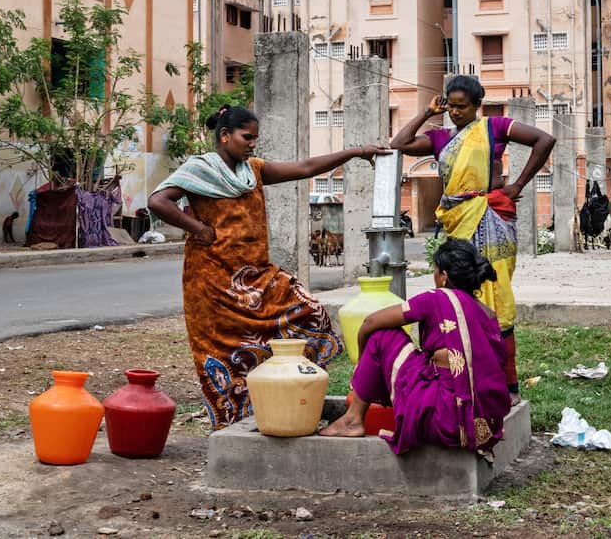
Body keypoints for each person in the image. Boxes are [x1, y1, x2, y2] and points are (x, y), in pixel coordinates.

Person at [148, 104, 388, 429]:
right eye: (246, 137)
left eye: (255, 138)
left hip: (258, 277)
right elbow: (158, 201)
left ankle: (279, 392)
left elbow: (305, 167)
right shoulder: (199, 169)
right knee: (224, 353)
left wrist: (357, 151)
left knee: (310, 313)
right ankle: (241, 421)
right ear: (224, 136)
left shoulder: (254, 171)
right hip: (212, 283)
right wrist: (199, 229)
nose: (252, 144)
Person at [390, 75, 554, 393]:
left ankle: (507, 384)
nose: (455, 112)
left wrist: (518, 185)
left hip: (491, 216)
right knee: (461, 294)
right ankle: (465, 376)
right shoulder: (441, 139)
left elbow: (544, 140)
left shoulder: (494, 128)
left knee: (496, 293)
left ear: (477, 106)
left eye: (462, 107)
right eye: (450, 106)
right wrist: (426, 112)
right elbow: (400, 144)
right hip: (458, 219)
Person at [319, 238, 512, 454]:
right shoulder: (488, 314)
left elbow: (370, 322)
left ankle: (352, 419)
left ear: (444, 276)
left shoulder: (437, 298)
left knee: (381, 336)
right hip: (484, 426)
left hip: (444, 420)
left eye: (435, 270)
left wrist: (363, 360)